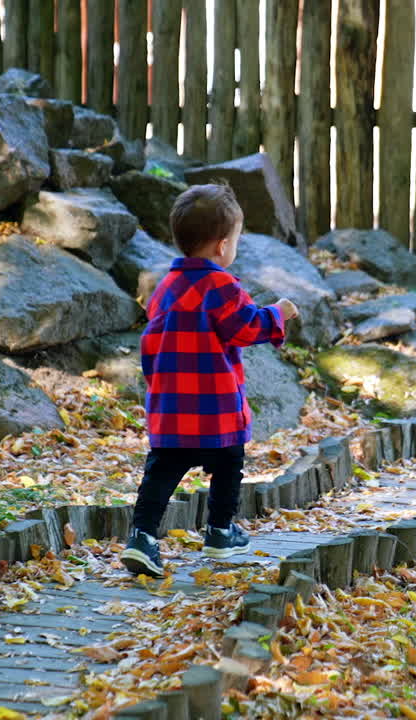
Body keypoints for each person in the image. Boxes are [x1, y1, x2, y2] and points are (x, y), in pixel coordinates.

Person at [120, 183, 300, 578]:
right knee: (228, 464)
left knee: (162, 470)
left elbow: (151, 342)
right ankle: (220, 531)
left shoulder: (165, 287)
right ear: (222, 246)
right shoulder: (221, 286)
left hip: (172, 406)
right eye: (235, 239)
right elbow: (245, 328)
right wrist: (278, 315)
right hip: (215, 405)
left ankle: (142, 537)